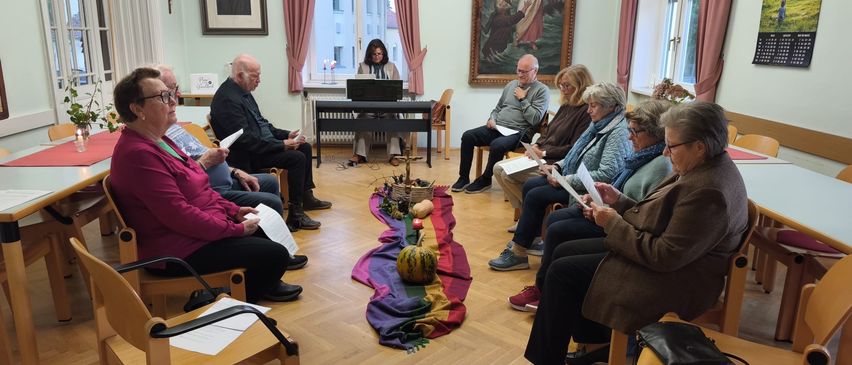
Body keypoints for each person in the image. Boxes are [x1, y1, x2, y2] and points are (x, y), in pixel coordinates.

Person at [524, 101, 749, 365]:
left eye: (671, 146)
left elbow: (665, 256)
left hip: (679, 280)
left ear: (699, 146)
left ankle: (548, 358)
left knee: (565, 272)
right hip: (666, 263)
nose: (665, 152)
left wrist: (612, 223)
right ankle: (594, 344)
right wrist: (619, 201)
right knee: (565, 252)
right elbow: (663, 218)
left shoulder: (709, 191)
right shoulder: (701, 166)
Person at [109, 67, 302, 303]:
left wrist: (233, 211)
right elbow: (179, 215)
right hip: (177, 249)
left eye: (171, 93)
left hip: (195, 232)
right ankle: (227, 302)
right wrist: (233, 229)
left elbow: (200, 188)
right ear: (137, 109)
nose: (173, 100)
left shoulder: (161, 139)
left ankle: (243, 290)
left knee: (264, 229)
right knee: (274, 255)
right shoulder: (138, 155)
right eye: (163, 96)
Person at [507, 99, 673, 313]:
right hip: (613, 212)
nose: (629, 136)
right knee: (554, 218)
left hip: (622, 227)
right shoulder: (640, 153)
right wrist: (598, 199)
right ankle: (542, 285)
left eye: (635, 132)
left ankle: (544, 289)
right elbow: (627, 194)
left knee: (557, 227)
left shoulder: (659, 164)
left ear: (655, 132)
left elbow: (643, 215)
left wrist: (603, 209)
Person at [487, 82, 630, 271]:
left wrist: (565, 179)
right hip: (572, 179)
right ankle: (531, 239)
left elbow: (606, 173)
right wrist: (556, 166)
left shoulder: (618, 132)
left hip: (587, 190)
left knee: (535, 194)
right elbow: (574, 155)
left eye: (593, 106)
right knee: (531, 186)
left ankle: (518, 252)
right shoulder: (599, 124)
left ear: (611, 106)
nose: (589, 111)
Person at [210, 54, 331, 231]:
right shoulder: (228, 99)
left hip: (261, 145)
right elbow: (245, 141)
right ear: (239, 75)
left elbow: (262, 123)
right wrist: (281, 144)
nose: (259, 81)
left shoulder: (243, 92)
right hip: (249, 155)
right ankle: (295, 215)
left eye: (259, 75)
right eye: (254, 76)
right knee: (296, 157)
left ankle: (306, 197)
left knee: (304, 147)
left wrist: (287, 134)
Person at [493, 64, 594, 215]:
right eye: (561, 85)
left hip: (556, 163)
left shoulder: (586, 112)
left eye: (567, 86)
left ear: (581, 86)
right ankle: (529, 214)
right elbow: (548, 131)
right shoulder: (567, 105)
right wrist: (537, 144)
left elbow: (574, 148)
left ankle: (530, 215)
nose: (563, 90)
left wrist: (544, 152)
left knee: (506, 174)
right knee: (498, 168)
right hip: (543, 156)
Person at [452, 54, 550, 194]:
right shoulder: (511, 85)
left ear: (535, 71)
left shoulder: (542, 91)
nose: (520, 75)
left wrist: (523, 99)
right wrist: (492, 119)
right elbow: (497, 108)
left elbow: (534, 119)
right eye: (518, 70)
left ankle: (486, 179)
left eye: (524, 72)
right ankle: (463, 178)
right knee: (468, 136)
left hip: (520, 133)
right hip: (499, 127)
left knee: (497, 145)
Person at [349, 39, 404, 166]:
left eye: (380, 54)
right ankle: (360, 155)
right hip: (369, 108)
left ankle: (394, 155)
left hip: (387, 108)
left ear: (383, 54)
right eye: (374, 54)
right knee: (363, 119)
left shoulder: (391, 66)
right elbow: (358, 89)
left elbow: (397, 88)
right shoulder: (363, 67)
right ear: (370, 55)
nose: (377, 56)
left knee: (393, 119)